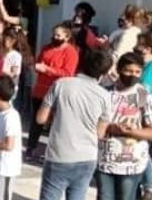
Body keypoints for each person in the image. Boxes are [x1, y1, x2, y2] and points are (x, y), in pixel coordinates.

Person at [36, 49, 113, 200]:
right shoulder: (105, 96)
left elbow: (40, 118)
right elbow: (100, 133)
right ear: (103, 73)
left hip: (59, 154)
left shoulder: (60, 84)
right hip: (87, 156)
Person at [97, 52, 152, 200]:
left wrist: (133, 132)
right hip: (104, 160)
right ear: (119, 70)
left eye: (137, 72)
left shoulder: (144, 95)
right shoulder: (106, 93)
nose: (132, 75)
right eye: (128, 71)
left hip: (133, 163)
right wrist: (110, 128)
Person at [26, 22, 79, 159]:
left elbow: (68, 73)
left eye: (58, 35)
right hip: (40, 89)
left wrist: (48, 70)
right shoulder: (46, 48)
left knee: (55, 124)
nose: (55, 37)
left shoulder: (71, 52)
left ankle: (51, 152)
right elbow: (39, 62)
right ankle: (30, 148)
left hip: (57, 92)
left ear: (67, 37)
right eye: (54, 34)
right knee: (36, 121)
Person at [0, 29, 23, 98]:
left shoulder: (16, 55)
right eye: (4, 38)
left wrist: (0, 70)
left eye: (8, 39)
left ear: (14, 41)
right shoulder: (1, 53)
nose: (5, 41)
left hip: (9, 88)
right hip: (0, 86)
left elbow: (13, 74)